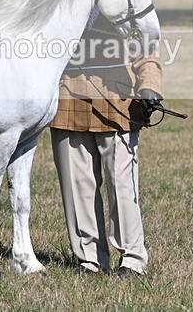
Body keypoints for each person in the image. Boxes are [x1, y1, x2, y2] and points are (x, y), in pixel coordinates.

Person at [50, 15, 163, 278]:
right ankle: (90, 260)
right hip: (67, 103)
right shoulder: (60, 2)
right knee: (77, 187)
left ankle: (133, 259)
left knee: (122, 185)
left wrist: (150, 85)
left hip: (119, 104)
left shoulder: (123, 3)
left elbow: (147, 49)